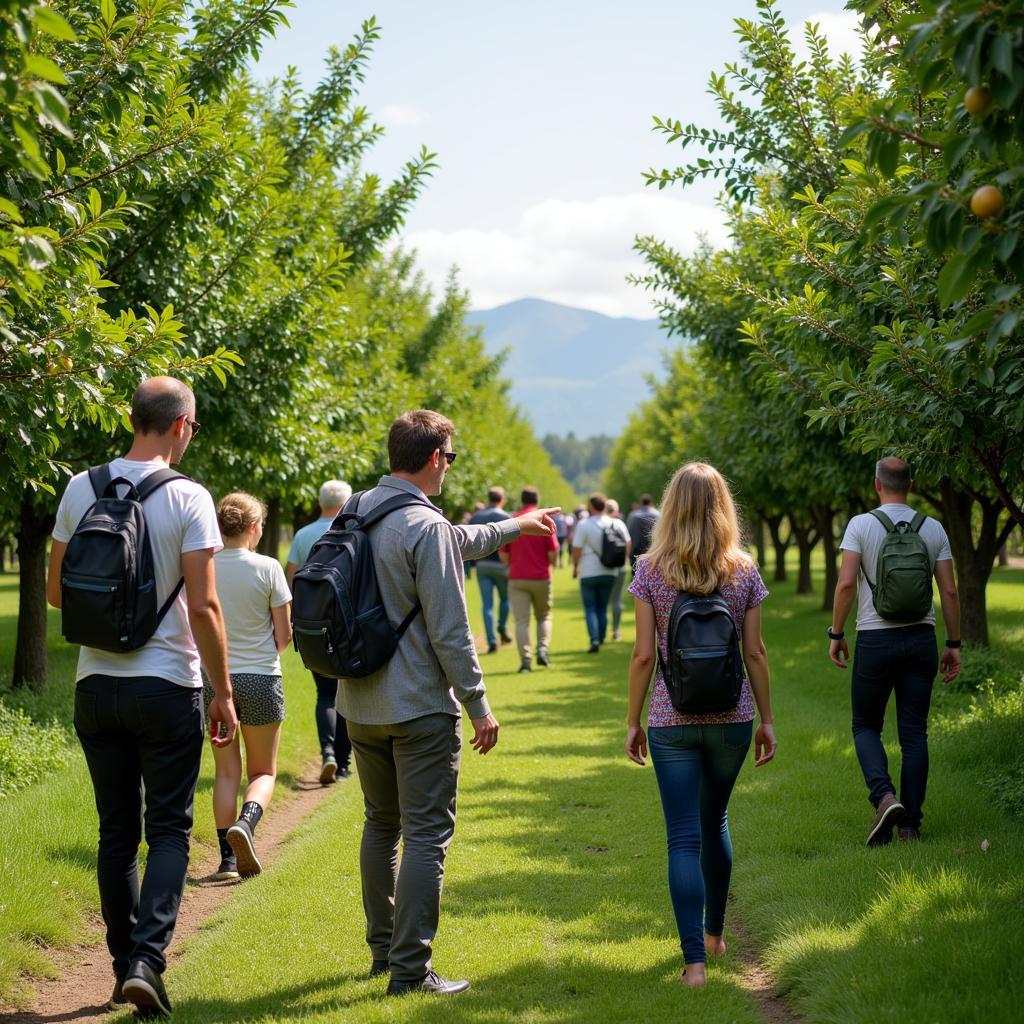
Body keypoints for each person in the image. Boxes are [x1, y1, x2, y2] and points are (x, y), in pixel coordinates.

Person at [337, 409, 558, 996]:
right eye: (450, 457)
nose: (450, 467)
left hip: (358, 700)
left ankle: (384, 952)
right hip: (417, 707)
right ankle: (411, 971)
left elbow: (458, 541)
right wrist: (478, 703)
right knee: (428, 834)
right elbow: (451, 629)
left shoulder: (359, 509)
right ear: (436, 458)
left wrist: (514, 525)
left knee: (380, 824)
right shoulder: (423, 525)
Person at [46, 377, 237, 1018]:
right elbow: (206, 606)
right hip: (166, 683)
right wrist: (223, 693)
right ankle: (148, 962)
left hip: (95, 685)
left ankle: (118, 964)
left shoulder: (81, 486)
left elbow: (55, 593)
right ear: (181, 424)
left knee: (116, 834)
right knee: (171, 831)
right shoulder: (189, 497)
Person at [626, 462, 776, 989]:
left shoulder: (650, 569)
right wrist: (768, 720)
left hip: (672, 720)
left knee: (683, 838)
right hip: (733, 717)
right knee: (715, 821)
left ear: (671, 506)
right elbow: (754, 652)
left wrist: (632, 721)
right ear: (722, 506)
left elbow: (644, 656)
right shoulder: (743, 569)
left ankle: (695, 965)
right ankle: (715, 934)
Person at [828, 456, 961, 845]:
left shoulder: (860, 525)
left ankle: (884, 797)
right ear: (913, 485)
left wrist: (836, 633)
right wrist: (953, 644)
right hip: (922, 638)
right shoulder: (933, 528)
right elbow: (949, 591)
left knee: (865, 725)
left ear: (876, 485)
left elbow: (846, 584)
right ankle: (910, 826)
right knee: (914, 734)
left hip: (875, 639)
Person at [206, 493, 292, 881]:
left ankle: (226, 860)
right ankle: (248, 823)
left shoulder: (202, 566)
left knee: (226, 773)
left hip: (214, 681)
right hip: (260, 678)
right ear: (254, 528)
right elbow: (284, 634)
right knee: (263, 772)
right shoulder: (268, 567)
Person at [286, 479, 353, 784]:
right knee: (348, 692)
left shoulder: (302, 535)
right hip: (347, 626)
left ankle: (326, 751)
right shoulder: (353, 532)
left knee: (324, 693)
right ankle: (343, 763)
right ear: (345, 503)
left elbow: (292, 581)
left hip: (312, 627)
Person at [501, 486, 559, 672]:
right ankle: (542, 649)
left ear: (522, 499)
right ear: (537, 500)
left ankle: (525, 660)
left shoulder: (514, 520)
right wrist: (551, 565)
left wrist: (513, 562)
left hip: (517, 576)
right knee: (544, 616)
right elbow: (553, 551)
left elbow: (504, 553)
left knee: (521, 621)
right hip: (541, 577)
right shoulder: (542, 520)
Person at [572, 493, 631, 653]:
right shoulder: (616, 523)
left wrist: (575, 567)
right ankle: (603, 636)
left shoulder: (584, 525)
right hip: (609, 570)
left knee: (590, 607)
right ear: (605, 506)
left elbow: (577, 549)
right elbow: (627, 543)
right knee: (603, 607)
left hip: (589, 570)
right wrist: (621, 560)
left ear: (591, 506)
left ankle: (594, 639)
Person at [469, 487, 512, 652]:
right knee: (505, 599)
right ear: (502, 499)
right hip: (501, 565)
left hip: (483, 564)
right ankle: (502, 626)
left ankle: (491, 640)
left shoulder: (476, 517)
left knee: (487, 604)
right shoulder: (506, 517)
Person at [605, 498, 629, 640]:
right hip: (619, 566)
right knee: (617, 599)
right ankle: (615, 630)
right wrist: (623, 559)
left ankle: (601, 631)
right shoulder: (619, 524)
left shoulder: (601, 523)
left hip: (603, 567)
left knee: (603, 601)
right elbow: (628, 542)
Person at [626, 493, 660, 571]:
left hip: (636, 550)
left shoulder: (633, 515)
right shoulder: (657, 514)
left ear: (641, 503)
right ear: (651, 503)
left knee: (635, 574)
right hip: (653, 550)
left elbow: (629, 533)